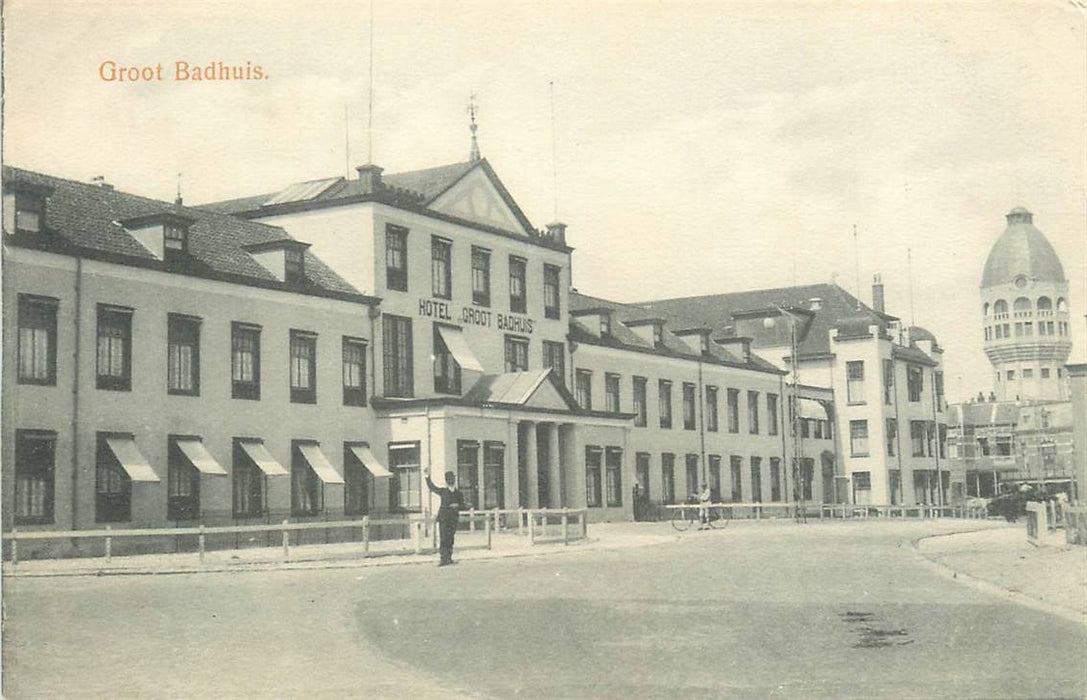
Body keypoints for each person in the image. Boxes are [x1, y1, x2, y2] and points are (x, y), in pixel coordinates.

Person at [425, 468, 464, 567]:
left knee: (450, 539)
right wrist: (427, 477)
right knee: (443, 538)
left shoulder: (458, 493)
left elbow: (462, 505)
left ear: (454, 480)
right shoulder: (443, 491)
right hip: (443, 519)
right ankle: (443, 559)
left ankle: (449, 558)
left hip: (453, 519)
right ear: (446, 481)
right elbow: (432, 487)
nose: (451, 480)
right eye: (449, 479)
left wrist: (457, 506)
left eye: (452, 478)